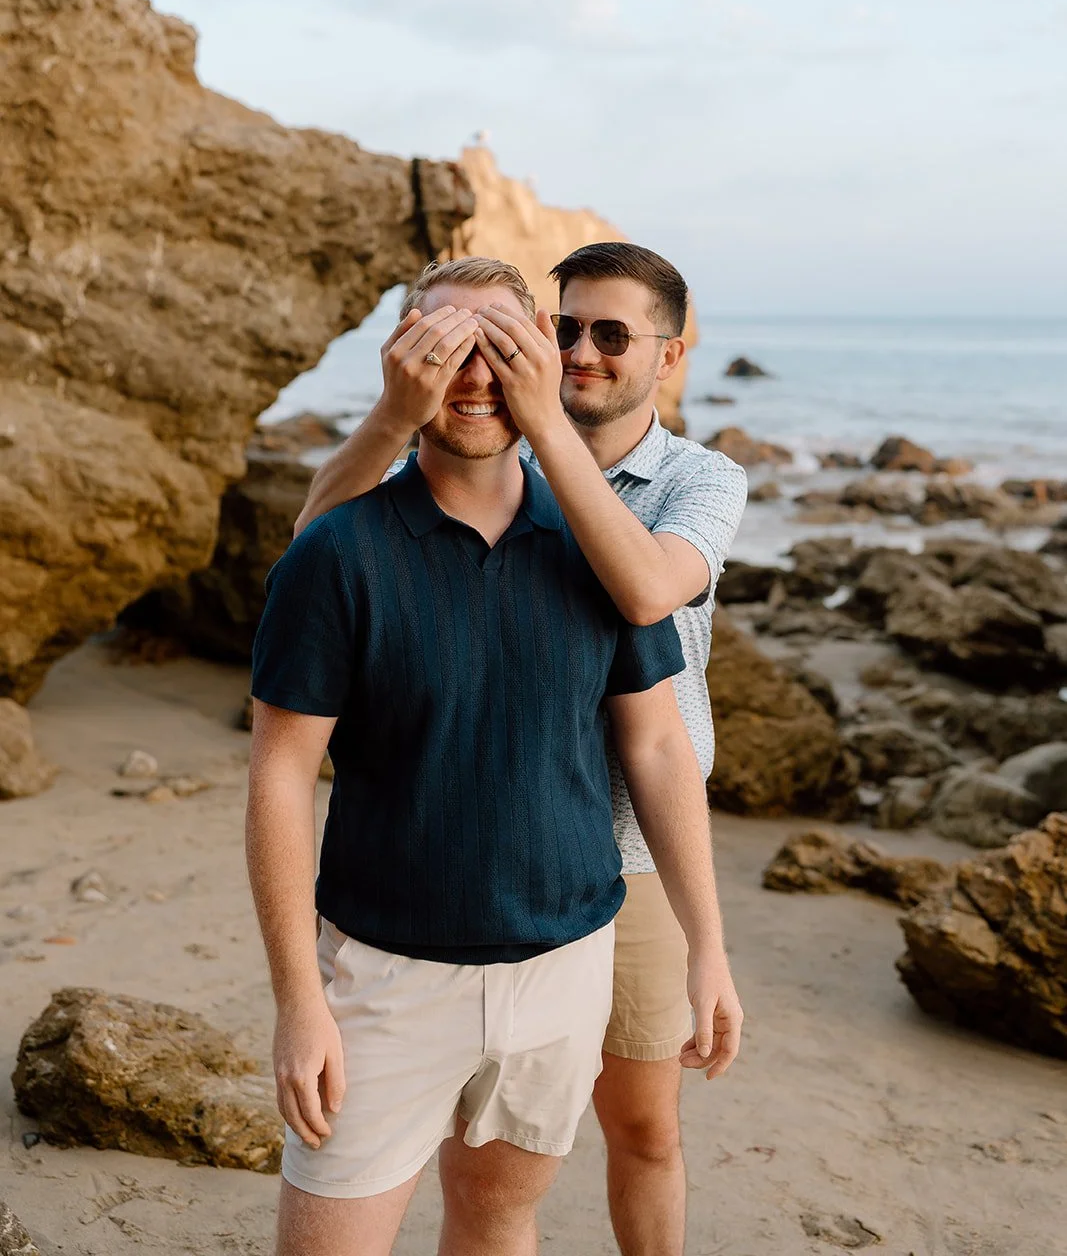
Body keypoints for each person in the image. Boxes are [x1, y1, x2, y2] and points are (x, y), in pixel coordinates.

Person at [247, 256, 740, 1256]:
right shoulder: (343, 550)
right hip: (387, 971)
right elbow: (280, 769)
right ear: (402, 361)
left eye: (500, 345)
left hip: (567, 949)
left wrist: (709, 945)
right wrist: (298, 999)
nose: (471, 372)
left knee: (503, 1212)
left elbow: (653, 740)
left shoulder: (613, 538)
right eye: (441, 346)